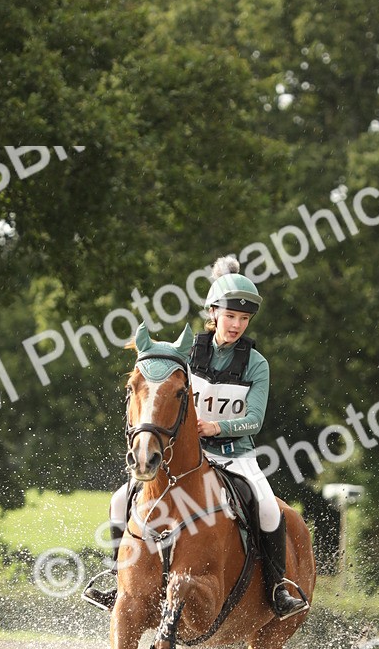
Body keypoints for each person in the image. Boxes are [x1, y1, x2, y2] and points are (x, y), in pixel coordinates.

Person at [86, 255, 309, 619]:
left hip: (235, 454)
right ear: (213, 313)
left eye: (243, 319)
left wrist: (217, 427)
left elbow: (253, 419)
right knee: (118, 501)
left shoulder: (256, 364)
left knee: (269, 508)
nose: (236, 325)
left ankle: (276, 589)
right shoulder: (187, 353)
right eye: (230, 316)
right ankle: (118, 581)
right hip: (185, 454)